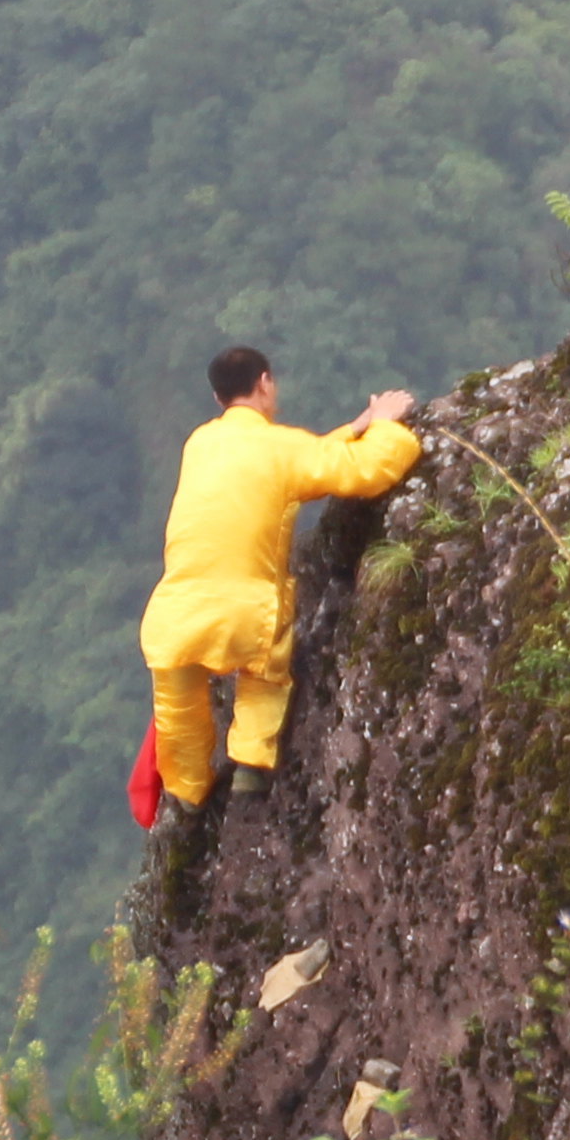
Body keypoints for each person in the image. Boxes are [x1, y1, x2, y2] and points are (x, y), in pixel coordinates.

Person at [140, 345, 419, 808]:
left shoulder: (200, 443)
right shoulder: (281, 448)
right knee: (266, 668)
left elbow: (284, 466)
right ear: (265, 382)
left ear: (217, 398)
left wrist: (353, 428)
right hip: (245, 611)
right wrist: (386, 426)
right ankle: (251, 762)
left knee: (179, 707)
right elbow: (362, 472)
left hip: (175, 613)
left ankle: (187, 792)